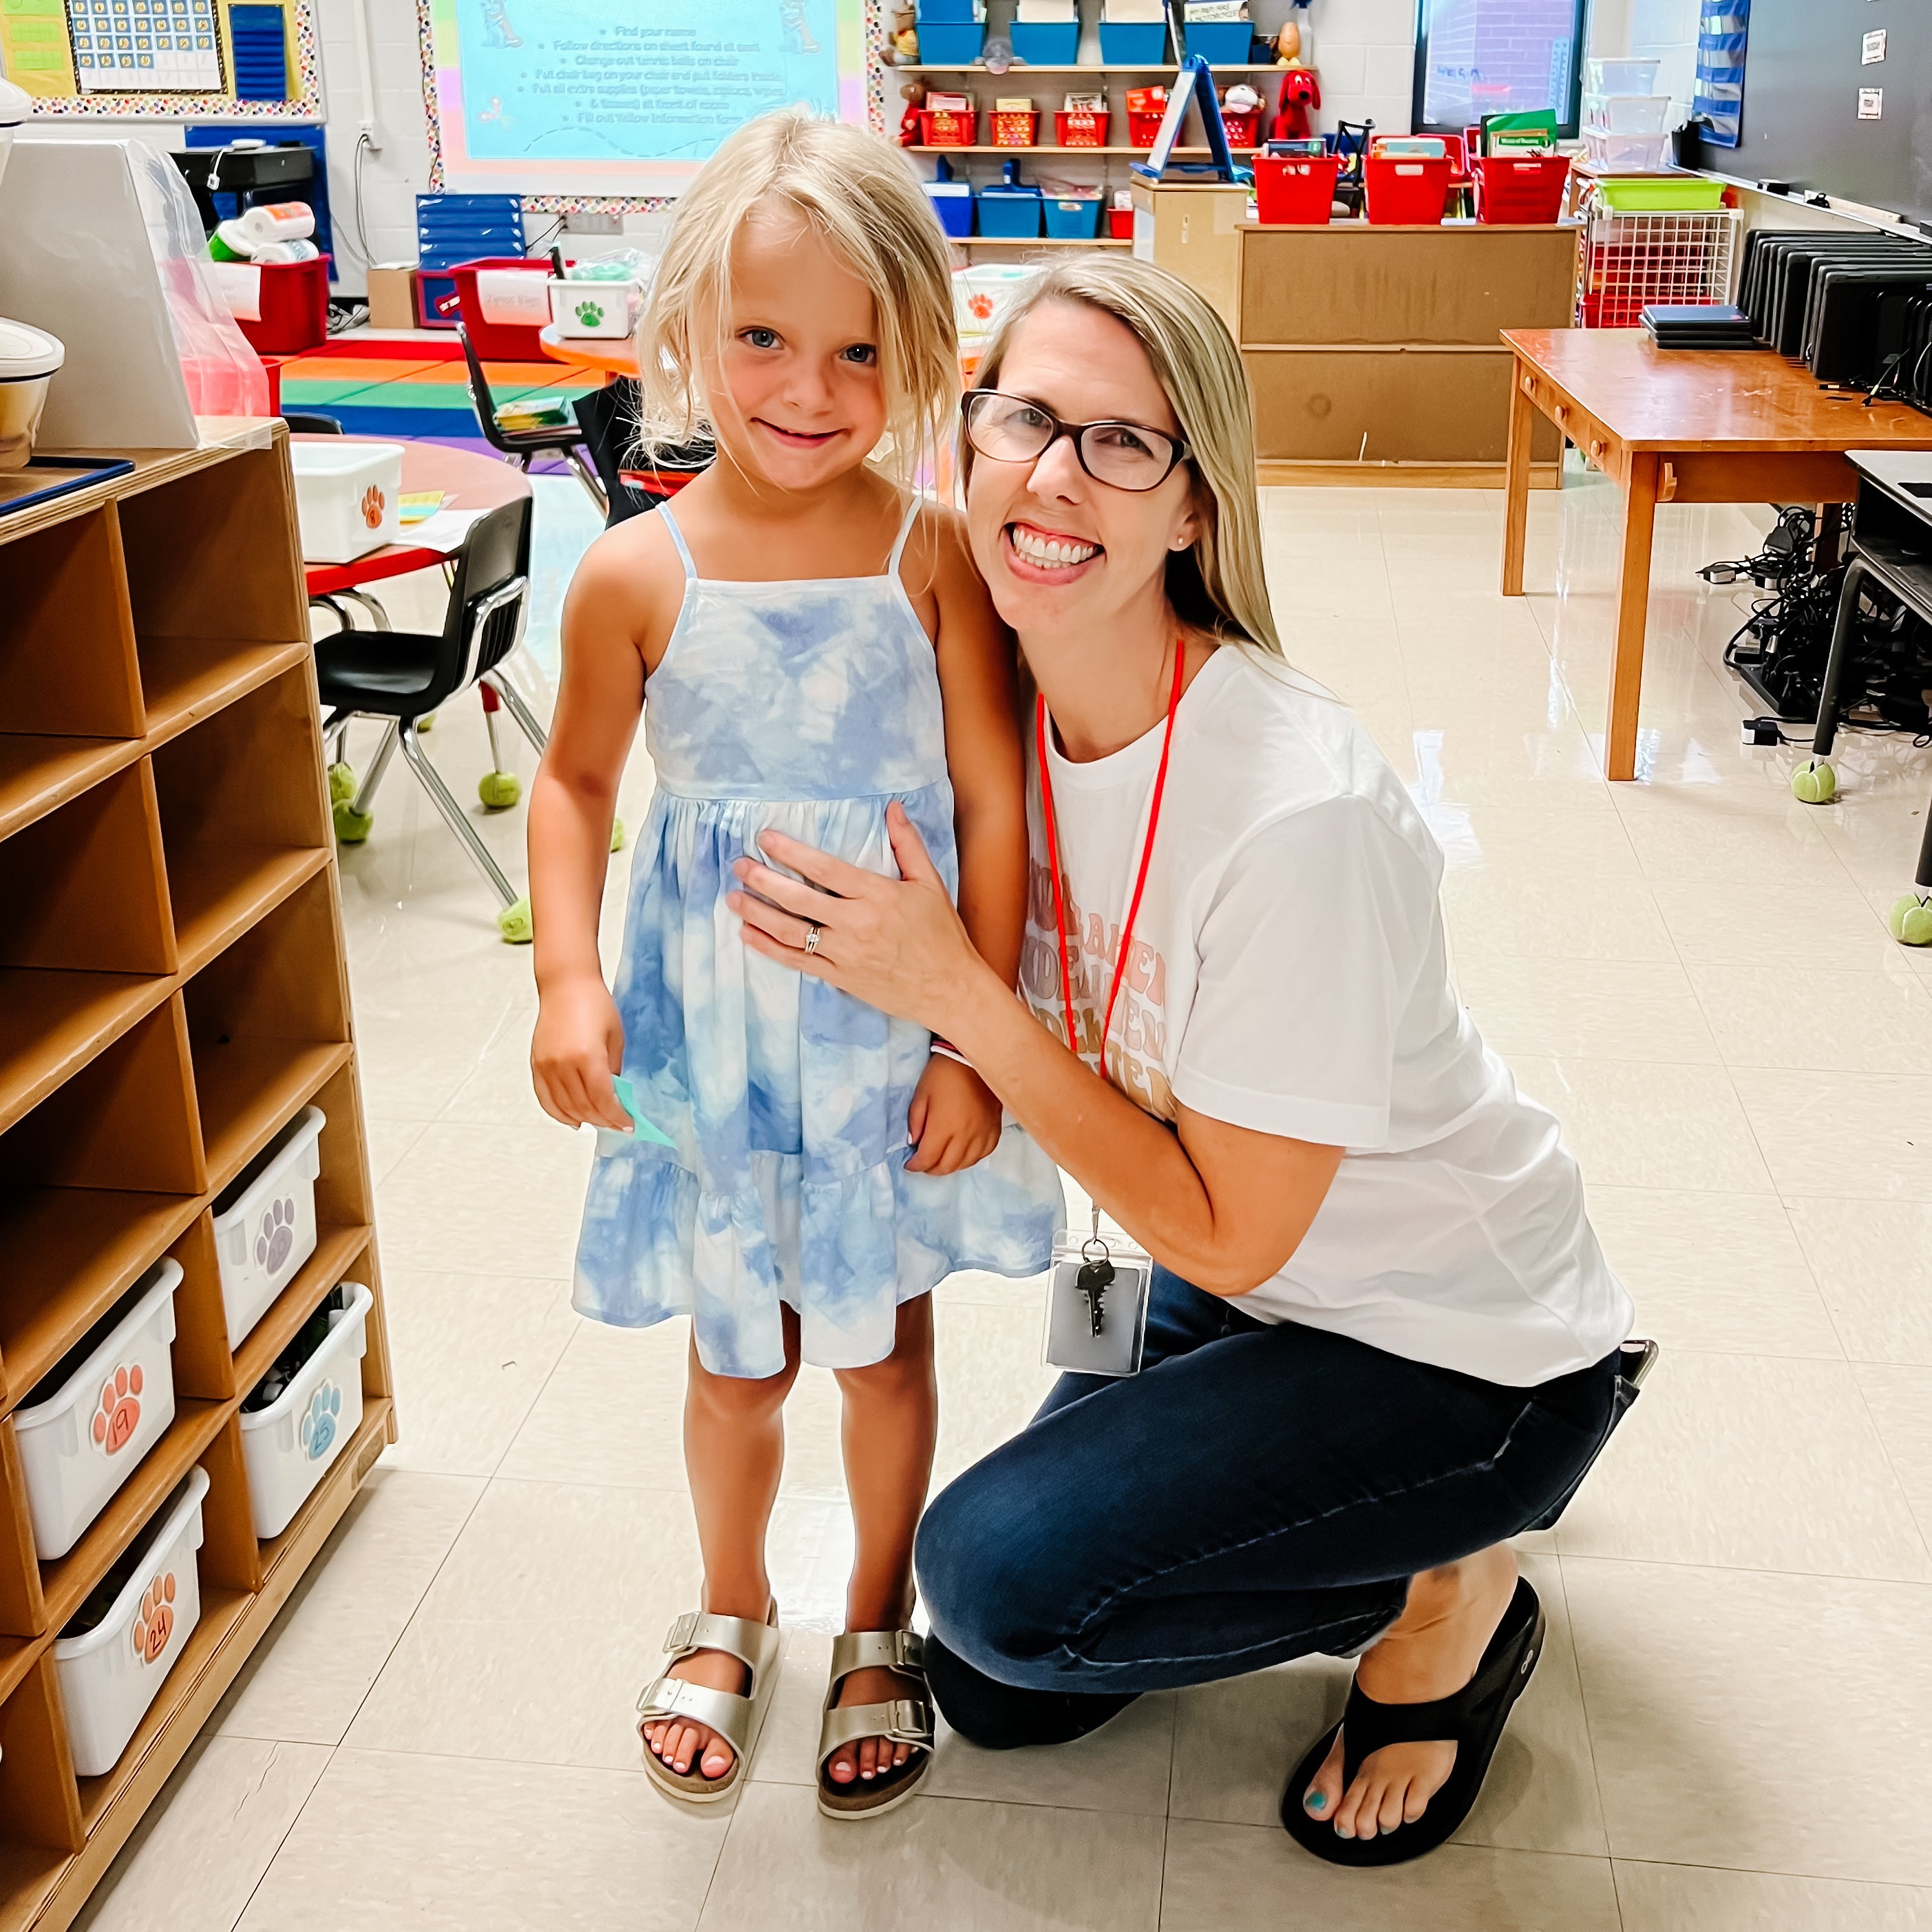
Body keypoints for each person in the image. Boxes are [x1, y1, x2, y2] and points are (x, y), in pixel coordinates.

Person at [728, 256, 1642, 1866]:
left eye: (1123, 445)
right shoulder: (987, 699)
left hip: (1449, 1338)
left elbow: (1230, 1228)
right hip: (1229, 1271)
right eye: (1022, 419)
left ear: (1195, 511)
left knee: (998, 1582)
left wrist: (966, 1000)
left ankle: (1467, 1573)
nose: (1055, 476)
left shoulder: (1301, 814)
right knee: (1000, 1683)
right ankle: (1389, 1522)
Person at [524, 112, 1063, 1820]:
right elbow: (574, 784)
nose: (808, 389)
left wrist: (977, 1041)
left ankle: (875, 1615)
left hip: (890, 1031)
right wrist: (562, 975)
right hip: (713, 1032)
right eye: (763, 337)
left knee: (884, 1343)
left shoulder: (932, 559)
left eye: (856, 350)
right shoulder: (634, 572)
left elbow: (991, 791)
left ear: (916, 355)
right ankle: (732, 1598)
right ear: (688, 325)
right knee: (733, 1354)